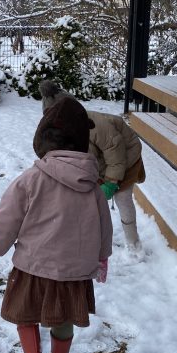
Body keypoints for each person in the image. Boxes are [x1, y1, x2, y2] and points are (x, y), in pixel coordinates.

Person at [0, 96, 113, 353]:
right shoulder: (92, 187)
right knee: (64, 319)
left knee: (26, 314)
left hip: (33, 267)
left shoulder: (29, 180)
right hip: (73, 273)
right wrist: (101, 257)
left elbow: (7, 221)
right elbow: (104, 227)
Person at [39, 80, 146, 250]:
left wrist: (111, 182)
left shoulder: (96, 125)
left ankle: (133, 243)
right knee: (90, 200)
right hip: (100, 162)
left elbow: (116, 155)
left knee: (123, 199)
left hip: (126, 158)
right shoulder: (61, 132)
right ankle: (90, 239)